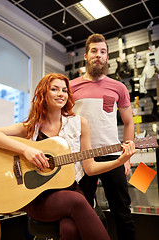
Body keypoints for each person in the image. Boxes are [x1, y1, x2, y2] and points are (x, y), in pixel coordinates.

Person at [0, 73, 135, 240]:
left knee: (70, 229)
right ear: (44, 93)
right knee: (78, 202)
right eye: (54, 89)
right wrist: (25, 150)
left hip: (71, 188)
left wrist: (120, 160)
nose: (61, 94)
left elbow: (91, 169)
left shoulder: (79, 123)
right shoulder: (30, 127)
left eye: (64, 90)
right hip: (38, 197)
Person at [70, 34, 136, 240]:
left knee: (122, 212)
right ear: (86, 55)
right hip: (82, 158)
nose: (98, 55)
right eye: (94, 51)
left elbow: (129, 122)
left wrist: (127, 156)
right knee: (81, 212)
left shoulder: (119, 87)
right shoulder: (71, 87)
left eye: (103, 51)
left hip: (113, 155)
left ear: (107, 57)